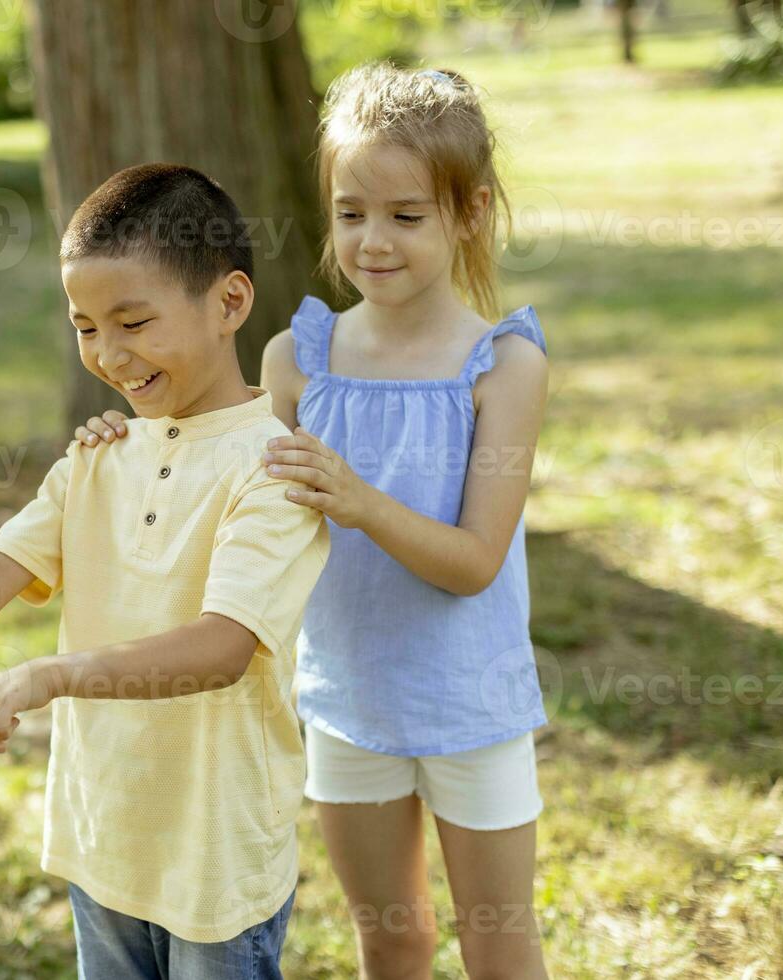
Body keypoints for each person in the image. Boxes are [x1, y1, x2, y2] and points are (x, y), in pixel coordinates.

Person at [72, 64, 552, 979]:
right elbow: (219, 463)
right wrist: (131, 437)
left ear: (471, 211)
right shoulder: (300, 359)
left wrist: (361, 501)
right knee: (391, 937)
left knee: (498, 943)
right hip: (343, 699)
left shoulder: (502, 366)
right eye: (349, 212)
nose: (373, 241)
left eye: (406, 216)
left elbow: (476, 563)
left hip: (469, 701)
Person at [0, 163, 330, 980]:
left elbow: (222, 647)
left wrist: (48, 676)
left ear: (229, 303)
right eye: (86, 326)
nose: (111, 354)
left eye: (134, 321)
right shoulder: (98, 458)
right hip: (102, 838)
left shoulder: (275, 471)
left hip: (215, 859)